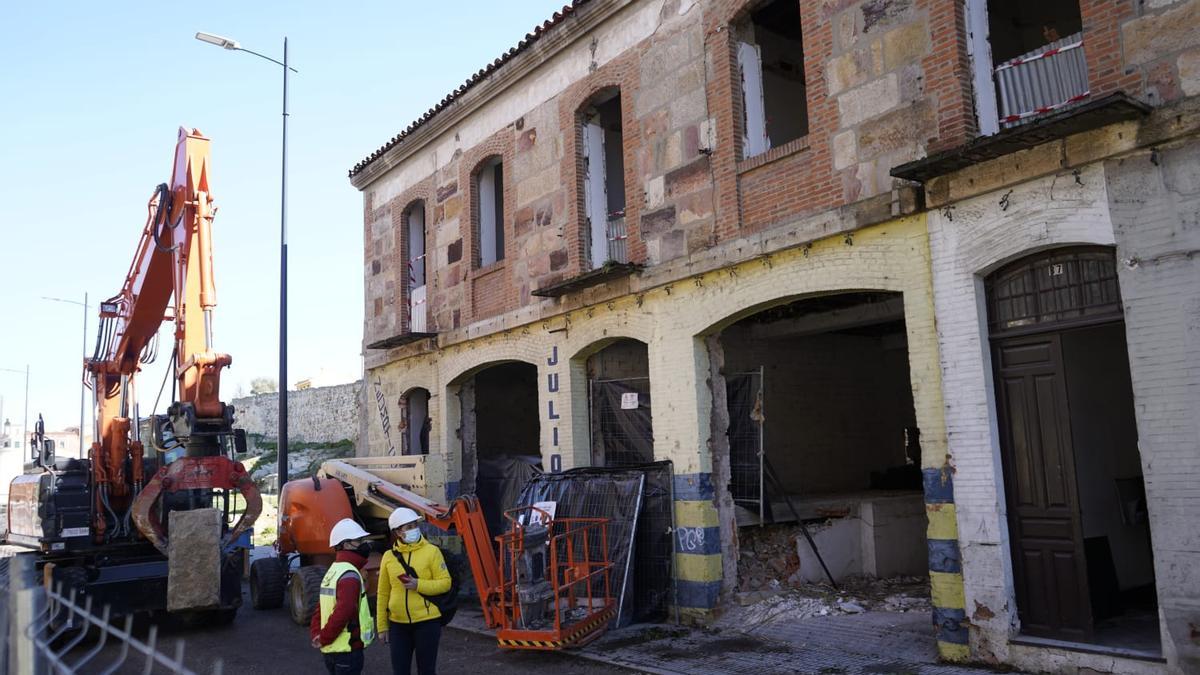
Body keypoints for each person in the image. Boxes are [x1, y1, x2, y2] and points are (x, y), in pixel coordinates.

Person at [378, 507, 451, 675]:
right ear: (398, 532)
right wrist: (382, 626)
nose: (414, 530)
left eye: (414, 525)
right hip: (398, 625)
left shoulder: (432, 552)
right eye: (408, 527)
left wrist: (418, 584)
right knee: (400, 671)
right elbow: (383, 593)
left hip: (428, 623)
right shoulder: (388, 557)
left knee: (426, 671)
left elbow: (445, 583)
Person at [310, 518, 376, 675]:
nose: (363, 545)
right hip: (347, 651)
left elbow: (320, 609)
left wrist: (317, 634)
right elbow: (343, 612)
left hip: (332, 650)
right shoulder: (350, 576)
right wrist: (324, 637)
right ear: (346, 544)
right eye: (359, 540)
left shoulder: (334, 571)